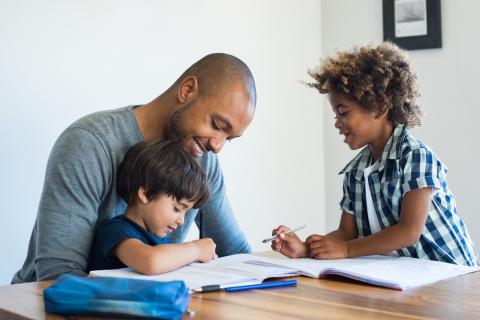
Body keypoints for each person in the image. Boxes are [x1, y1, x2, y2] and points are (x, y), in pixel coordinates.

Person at [13, 53, 256, 283]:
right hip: (47, 305)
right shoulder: (89, 143)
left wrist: (291, 260)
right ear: (187, 90)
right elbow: (58, 275)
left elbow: (235, 252)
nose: (217, 146)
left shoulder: (203, 160)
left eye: (229, 138)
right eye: (216, 124)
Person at [271, 42, 478, 266]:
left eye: (343, 113)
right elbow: (345, 233)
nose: (337, 124)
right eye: (335, 115)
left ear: (380, 106)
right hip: (407, 279)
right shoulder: (355, 172)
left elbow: (409, 231)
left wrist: (347, 250)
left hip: (453, 276)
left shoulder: (415, 157)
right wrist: (306, 249)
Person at [88, 140, 216, 274]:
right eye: (177, 209)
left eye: (186, 212)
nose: (181, 221)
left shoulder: (159, 240)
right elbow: (151, 262)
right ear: (146, 194)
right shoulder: (116, 231)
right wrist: (195, 249)